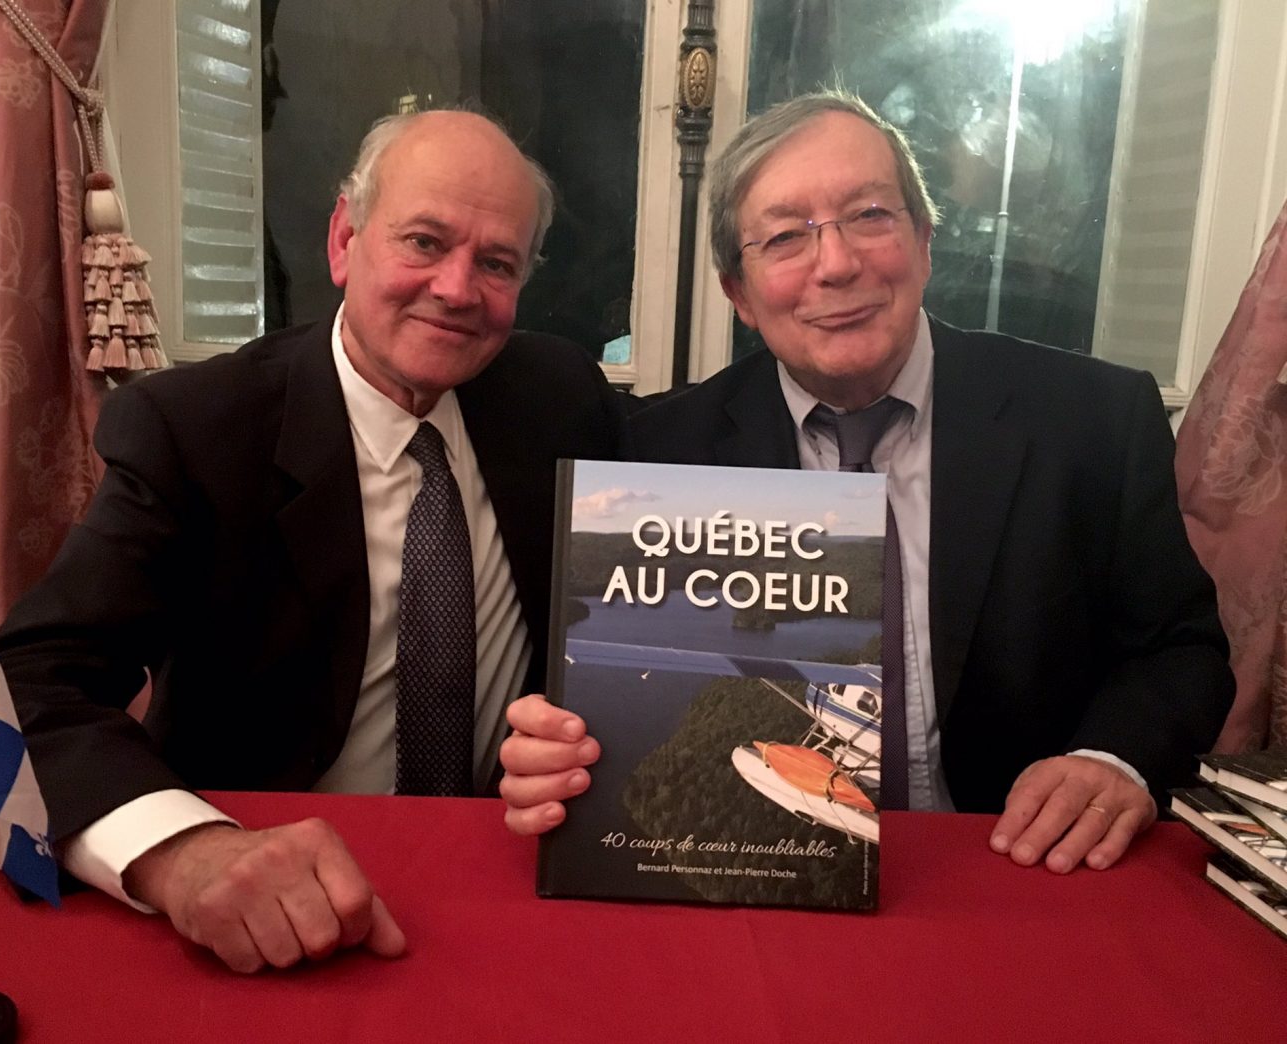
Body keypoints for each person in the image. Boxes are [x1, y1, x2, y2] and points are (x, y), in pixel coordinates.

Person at [499, 91, 1233, 876]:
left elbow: (1181, 651)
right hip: (764, 868)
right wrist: (560, 749)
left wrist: (1111, 760)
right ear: (738, 294)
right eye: (785, 237)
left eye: (870, 216)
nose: (837, 263)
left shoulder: (1093, 420)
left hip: (1014, 870)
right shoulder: (661, 451)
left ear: (923, 239)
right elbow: (616, 686)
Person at [0, 110, 624, 972]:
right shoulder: (197, 431)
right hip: (266, 894)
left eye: (496, 262)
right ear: (344, 239)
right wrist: (186, 854)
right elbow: (29, 685)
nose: (455, 288)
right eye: (424, 241)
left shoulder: (557, 396)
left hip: (508, 878)